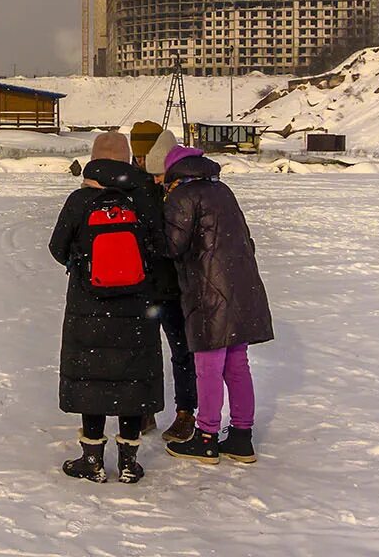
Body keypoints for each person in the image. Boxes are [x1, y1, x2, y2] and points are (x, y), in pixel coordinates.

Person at [48, 132, 165, 484]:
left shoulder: (80, 200)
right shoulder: (143, 198)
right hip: (136, 307)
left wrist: (83, 265)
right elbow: (160, 246)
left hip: (89, 305)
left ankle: (92, 459)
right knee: (131, 379)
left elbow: (57, 247)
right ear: (128, 159)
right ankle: (129, 461)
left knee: (92, 377)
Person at [160, 144, 276, 466]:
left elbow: (172, 246)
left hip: (208, 291)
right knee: (237, 364)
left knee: (208, 365)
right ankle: (241, 436)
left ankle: (207, 436)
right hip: (241, 287)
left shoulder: (182, 197)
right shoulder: (222, 190)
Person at [140, 129, 196, 443]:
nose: (157, 179)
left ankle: (186, 411)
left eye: (160, 173)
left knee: (182, 352)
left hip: (176, 288)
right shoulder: (140, 189)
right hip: (148, 285)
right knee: (146, 350)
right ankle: (146, 409)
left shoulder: (186, 194)